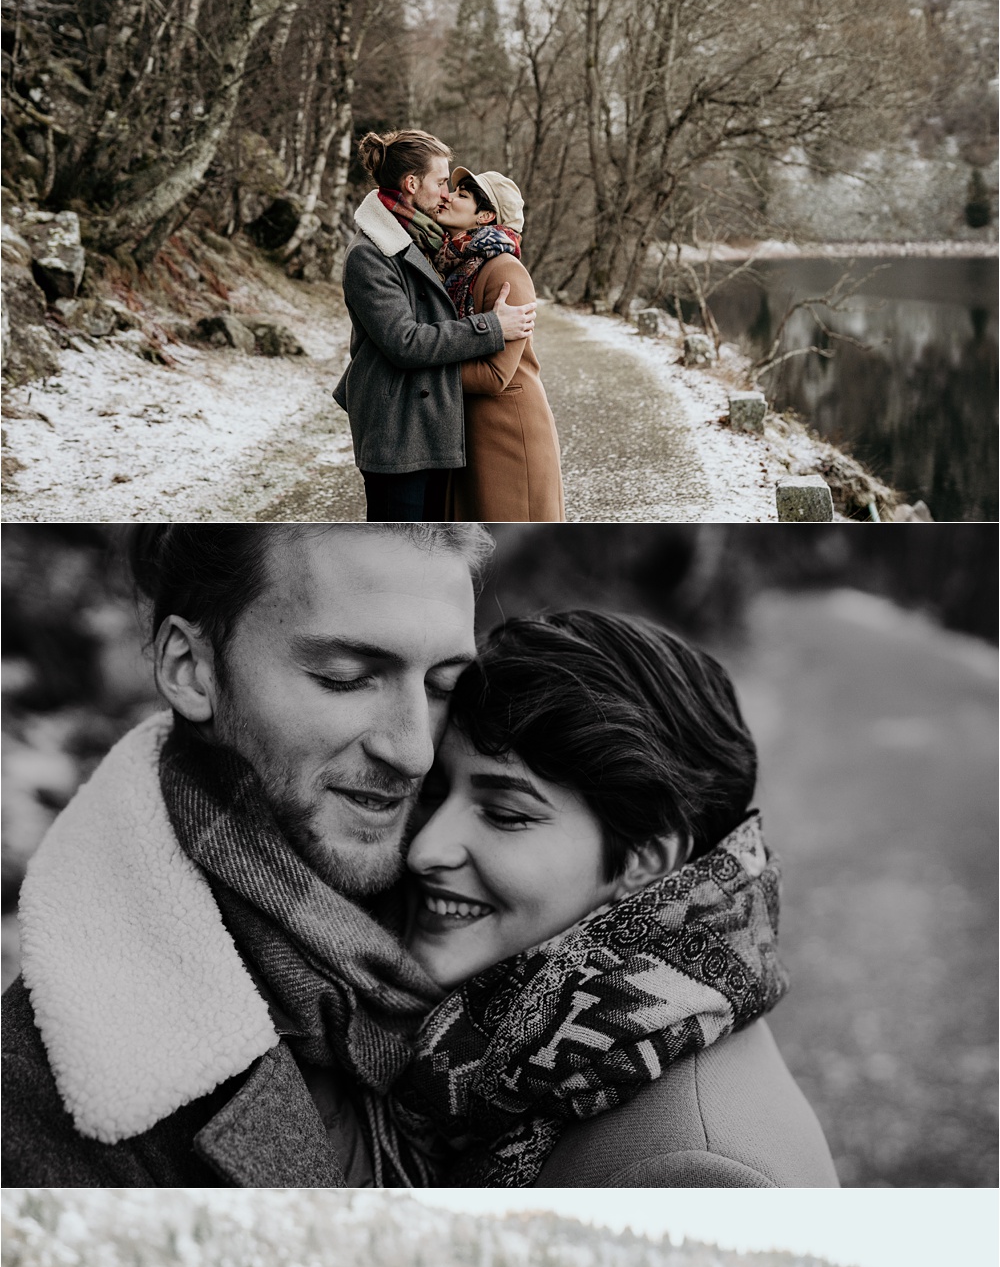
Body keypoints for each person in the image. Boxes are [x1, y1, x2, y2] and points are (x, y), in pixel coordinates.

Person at [2, 524, 836, 1191]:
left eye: (442, 686)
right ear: (190, 667)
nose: (412, 753)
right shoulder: (48, 1087)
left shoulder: (484, 985)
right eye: (346, 675)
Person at [394, 610, 839, 1187]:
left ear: (645, 861)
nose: (424, 850)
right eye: (434, 792)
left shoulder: (699, 1176)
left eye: (505, 815)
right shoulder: (540, 1057)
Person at [333, 129, 536, 522]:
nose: (447, 193)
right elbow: (405, 341)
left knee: (435, 551)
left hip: (427, 423)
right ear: (412, 184)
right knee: (400, 553)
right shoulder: (370, 253)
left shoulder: (425, 239)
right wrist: (490, 327)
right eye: (441, 182)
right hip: (397, 431)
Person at [438, 165, 565, 522]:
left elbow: (496, 374)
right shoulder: (457, 265)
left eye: (462, 195)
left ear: (486, 216)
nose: (448, 195)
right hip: (475, 431)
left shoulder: (505, 270)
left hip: (509, 433)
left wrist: (422, 371)